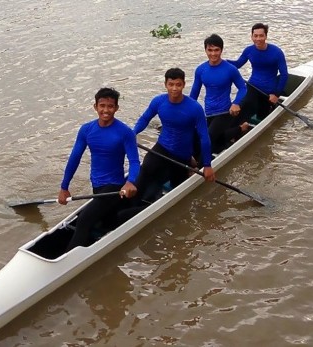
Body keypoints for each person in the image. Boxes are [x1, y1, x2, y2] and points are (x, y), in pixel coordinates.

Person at [58, 87, 140, 253]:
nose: (106, 110)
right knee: (109, 223)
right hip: (97, 187)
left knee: (84, 220)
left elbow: (134, 161)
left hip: (115, 187)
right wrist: (64, 187)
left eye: (110, 106)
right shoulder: (86, 130)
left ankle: (69, 258)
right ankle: (139, 210)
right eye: (102, 106)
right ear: (95, 106)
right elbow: (74, 158)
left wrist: (130, 182)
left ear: (116, 108)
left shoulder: (125, 132)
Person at [133, 68, 215, 204]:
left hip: (181, 155)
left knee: (177, 185)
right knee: (146, 167)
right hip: (162, 147)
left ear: (183, 84)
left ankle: (190, 166)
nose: (174, 89)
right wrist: (133, 132)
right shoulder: (158, 101)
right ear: (165, 84)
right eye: (171, 85)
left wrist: (207, 165)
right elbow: (144, 119)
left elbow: (204, 137)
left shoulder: (194, 108)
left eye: (178, 85)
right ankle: (134, 200)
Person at [190, 34, 249, 154]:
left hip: (225, 112)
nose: (213, 54)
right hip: (208, 112)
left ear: (221, 50)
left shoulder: (230, 69)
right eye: (210, 50)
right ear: (205, 50)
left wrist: (236, 103)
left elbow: (243, 88)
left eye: (216, 50)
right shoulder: (201, 70)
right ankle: (239, 129)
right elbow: (194, 93)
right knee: (214, 141)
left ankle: (200, 167)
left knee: (208, 138)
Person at [228, 23, 288, 122]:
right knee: (243, 105)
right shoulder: (249, 50)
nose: (258, 39)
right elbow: (238, 64)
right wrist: (222, 61)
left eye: (261, 36)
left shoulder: (277, 52)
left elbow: (284, 75)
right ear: (252, 37)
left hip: (269, 91)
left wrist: (276, 94)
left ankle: (268, 109)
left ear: (266, 36)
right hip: (252, 86)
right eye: (255, 36)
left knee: (262, 115)